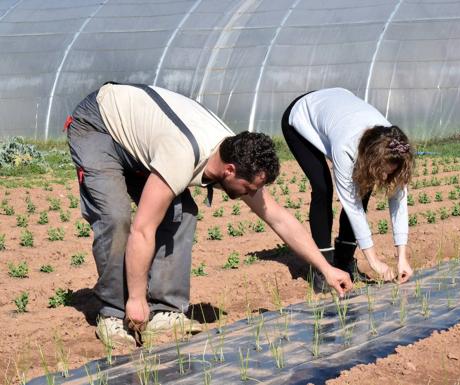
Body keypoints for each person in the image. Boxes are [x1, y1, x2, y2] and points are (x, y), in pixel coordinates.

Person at [66, 82, 352, 347]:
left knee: (182, 211)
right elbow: (143, 229)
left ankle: (165, 312)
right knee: (116, 217)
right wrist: (136, 298)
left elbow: (277, 217)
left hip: (142, 135)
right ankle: (115, 313)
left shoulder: (233, 151)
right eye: (249, 187)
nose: (249, 193)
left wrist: (326, 268)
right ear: (229, 171)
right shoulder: (182, 155)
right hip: (99, 125)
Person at [282, 88, 414, 290]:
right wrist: (374, 261)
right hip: (301, 117)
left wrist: (402, 257)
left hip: (336, 110)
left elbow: (399, 201)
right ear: (370, 159)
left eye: (390, 173)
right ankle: (322, 268)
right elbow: (352, 206)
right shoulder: (346, 147)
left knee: (364, 186)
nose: (386, 178)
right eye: (383, 172)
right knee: (323, 187)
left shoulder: (393, 144)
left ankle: (344, 261)